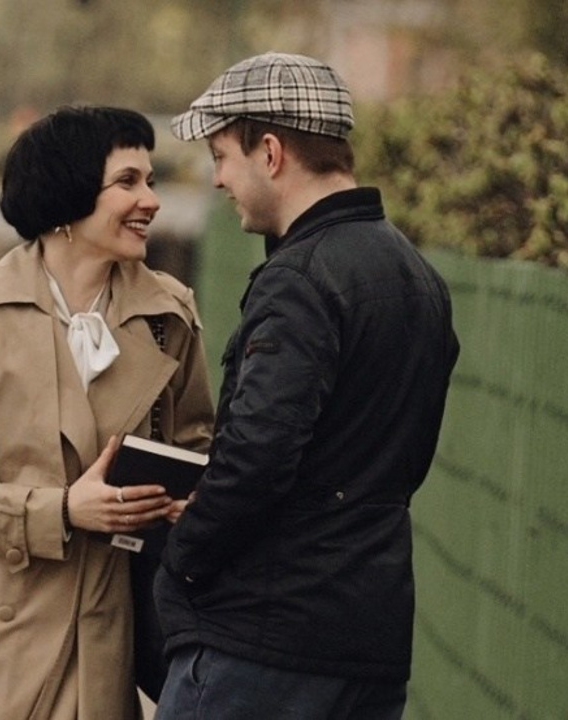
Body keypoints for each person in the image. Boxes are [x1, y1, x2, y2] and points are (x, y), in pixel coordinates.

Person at [0, 106, 215, 720]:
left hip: (101, 625)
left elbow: (195, 446)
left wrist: (182, 498)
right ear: (70, 194)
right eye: (128, 181)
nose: (152, 201)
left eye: (151, 181)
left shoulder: (169, 318)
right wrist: (59, 510)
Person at [153, 52, 461, 719]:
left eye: (220, 155)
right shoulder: (416, 275)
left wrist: (183, 560)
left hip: (264, 645)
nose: (216, 181)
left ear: (269, 151)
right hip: (369, 637)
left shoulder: (300, 281)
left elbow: (257, 456)